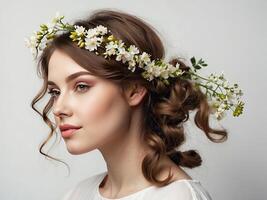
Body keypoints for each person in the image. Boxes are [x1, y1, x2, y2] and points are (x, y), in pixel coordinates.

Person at [25, 8, 244, 200]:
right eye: (55, 91)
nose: (58, 108)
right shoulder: (77, 195)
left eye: (81, 86)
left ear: (135, 89)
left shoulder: (179, 197)